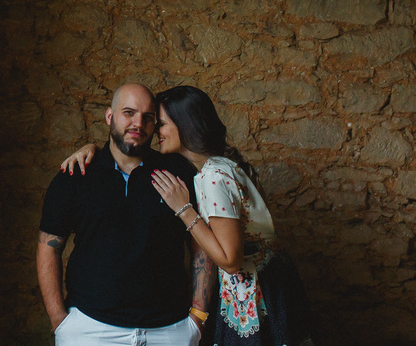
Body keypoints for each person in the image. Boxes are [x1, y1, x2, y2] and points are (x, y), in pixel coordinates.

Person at [60, 85, 316, 346]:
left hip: (256, 295)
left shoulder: (214, 176)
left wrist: (184, 210)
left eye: (160, 124)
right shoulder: (216, 167)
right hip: (258, 290)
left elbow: (230, 261)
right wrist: (92, 147)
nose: (155, 132)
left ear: (185, 125)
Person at [38, 83, 215, 346]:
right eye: (129, 113)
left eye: (148, 117)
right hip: (90, 328)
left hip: (170, 330)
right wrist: (59, 321)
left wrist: (197, 319)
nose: (138, 123)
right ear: (110, 116)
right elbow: (48, 247)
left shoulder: (179, 172)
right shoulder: (76, 174)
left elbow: (201, 245)